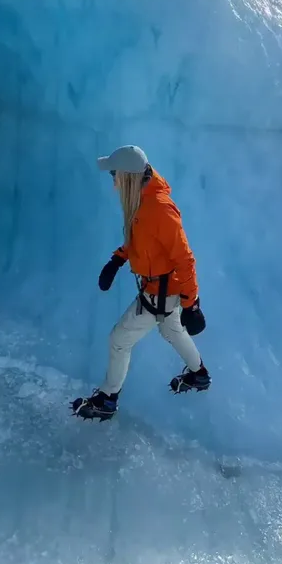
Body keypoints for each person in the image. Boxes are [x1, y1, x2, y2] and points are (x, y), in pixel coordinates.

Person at [72, 145, 211, 421]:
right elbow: (142, 242)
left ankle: (107, 399)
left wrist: (192, 305)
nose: (113, 181)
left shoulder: (160, 209)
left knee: (119, 340)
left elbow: (185, 260)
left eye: (115, 174)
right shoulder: (142, 200)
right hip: (160, 290)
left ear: (129, 176)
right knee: (172, 331)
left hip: (160, 293)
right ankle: (199, 375)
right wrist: (118, 259)